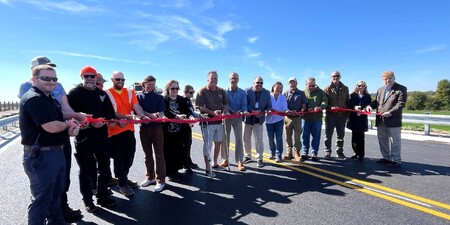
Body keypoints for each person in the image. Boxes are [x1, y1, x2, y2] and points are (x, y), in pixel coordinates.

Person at [18, 56, 84, 222]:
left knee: (55, 196)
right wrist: (68, 123)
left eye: (54, 79)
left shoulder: (50, 99)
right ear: (34, 79)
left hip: (55, 153)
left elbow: (59, 122)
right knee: (42, 200)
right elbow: (51, 126)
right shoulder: (34, 98)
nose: (51, 82)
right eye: (46, 78)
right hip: (41, 155)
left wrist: (70, 128)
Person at [67, 65, 118, 212]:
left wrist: (107, 121)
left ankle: (102, 196)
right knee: (86, 170)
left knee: (104, 168)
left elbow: (109, 114)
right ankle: (88, 200)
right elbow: (71, 115)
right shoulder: (74, 93)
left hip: (102, 137)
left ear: (96, 78)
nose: (89, 79)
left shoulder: (102, 94)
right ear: (81, 77)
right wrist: (89, 124)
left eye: (92, 76)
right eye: (86, 76)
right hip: (84, 138)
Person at [105, 71, 148, 196]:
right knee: (119, 158)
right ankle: (122, 184)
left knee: (129, 157)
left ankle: (123, 177)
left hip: (129, 130)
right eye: (117, 79)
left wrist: (142, 116)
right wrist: (125, 118)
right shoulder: (107, 93)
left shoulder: (130, 92)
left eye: (122, 80)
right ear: (112, 80)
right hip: (114, 132)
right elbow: (111, 112)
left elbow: (136, 106)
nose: (120, 82)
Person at [366, 71, 407, 167]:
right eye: (385, 79)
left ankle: (396, 160)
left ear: (394, 78)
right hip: (381, 120)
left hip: (393, 120)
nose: (387, 81)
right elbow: (376, 102)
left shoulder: (401, 89)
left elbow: (400, 104)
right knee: (382, 140)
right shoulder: (380, 90)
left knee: (395, 141)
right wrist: (369, 106)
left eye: (390, 78)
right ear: (383, 80)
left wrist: (390, 112)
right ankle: (386, 157)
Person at [195, 71, 229, 175]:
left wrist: (225, 112)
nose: (213, 80)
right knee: (207, 145)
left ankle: (214, 163)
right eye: (211, 78)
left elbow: (226, 104)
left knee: (218, 143)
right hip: (207, 123)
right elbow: (199, 107)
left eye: (215, 78)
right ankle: (207, 168)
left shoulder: (221, 90)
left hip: (219, 122)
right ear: (207, 79)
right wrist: (212, 113)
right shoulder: (202, 91)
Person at [137, 75, 166, 192]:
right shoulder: (137, 97)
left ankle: (161, 180)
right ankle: (150, 177)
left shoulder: (159, 97)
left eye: (153, 85)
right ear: (144, 84)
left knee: (159, 154)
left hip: (157, 128)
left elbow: (161, 113)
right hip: (143, 128)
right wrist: (149, 115)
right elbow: (136, 110)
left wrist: (163, 118)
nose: (151, 87)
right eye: (149, 85)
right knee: (147, 155)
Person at [162, 80, 195, 180]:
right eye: (173, 88)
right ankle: (169, 172)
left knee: (178, 150)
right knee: (168, 151)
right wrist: (176, 116)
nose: (175, 90)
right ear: (168, 89)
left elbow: (188, 111)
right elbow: (165, 112)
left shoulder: (181, 99)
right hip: (168, 130)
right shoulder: (164, 99)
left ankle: (176, 170)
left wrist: (191, 117)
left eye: (177, 88)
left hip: (180, 130)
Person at [220, 72, 248, 171]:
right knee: (225, 139)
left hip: (238, 118)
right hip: (226, 118)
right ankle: (225, 159)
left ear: (238, 80)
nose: (234, 80)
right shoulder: (224, 92)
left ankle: (240, 161)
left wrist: (243, 111)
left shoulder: (242, 92)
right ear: (229, 79)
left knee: (239, 140)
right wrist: (227, 111)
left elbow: (244, 104)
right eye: (232, 78)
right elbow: (223, 104)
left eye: (235, 78)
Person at [243, 76, 272, 168]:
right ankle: (248, 156)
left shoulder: (267, 93)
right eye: (257, 82)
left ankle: (259, 158)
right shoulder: (247, 91)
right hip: (248, 119)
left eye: (261, 83)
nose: (259, 84)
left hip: (259, 119)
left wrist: (269, 110)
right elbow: (244, 104)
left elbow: (269, 105)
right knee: (246, 139)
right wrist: (253, 112)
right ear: (253, 83)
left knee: (258, 140)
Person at [323, 71, 349, 159]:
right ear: (331, 77)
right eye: (334, 76)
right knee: (328, 135)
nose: (336, 77)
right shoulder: (327, 89)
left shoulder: (345, 88)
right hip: (330, 115)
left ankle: (339, 152)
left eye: (337, 76)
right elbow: (325, 102)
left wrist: (347, 116)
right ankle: (327, 152)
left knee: (340, 135)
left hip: (342, 116)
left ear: (340, 77)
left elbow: (347, 102)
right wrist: (331, 107)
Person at [301, 77, 328, 162]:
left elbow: (325, 101)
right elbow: (301, 103)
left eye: (313, 85)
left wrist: (320, 107)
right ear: (306, 85)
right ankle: (305, 152)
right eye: (310, 85)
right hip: (306, 118)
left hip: (317, 119)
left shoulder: (320, 92)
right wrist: (305, 109)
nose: (312, 87)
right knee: (305, 136)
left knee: (316, 137)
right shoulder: (303, 93)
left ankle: (314, 153)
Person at [283, 77, 307, 160]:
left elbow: (304, 104)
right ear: (288, 84)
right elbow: (283, 105)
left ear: (296, 83)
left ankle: (296, 153)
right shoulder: (285, 93)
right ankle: (289, 153)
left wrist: (302, 110)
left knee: (297, 136)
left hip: (297, 118)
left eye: (294, 82)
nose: (292, 84)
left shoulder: (301, 93)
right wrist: (287, 111)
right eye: (290, 82)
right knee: (287, 137)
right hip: (288, 118)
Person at [347, 80, 372, 161]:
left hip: (362, 119)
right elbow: (349, 105)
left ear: (365, 87)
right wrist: (354, 107)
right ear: (356, 86)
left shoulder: (367, 96)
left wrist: (365, 108)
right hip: (354, 118)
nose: (361, 87)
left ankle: (361, 154)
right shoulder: (352, 95)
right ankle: (356, 152)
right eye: (359, 85)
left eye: (363, 86)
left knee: (361, 137)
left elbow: (369, 105)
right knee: (354, 137)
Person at [265, 82, 288, 163]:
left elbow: (285, 108)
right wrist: (268, 110)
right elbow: (265, 107)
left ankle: (278, 155)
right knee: (270, 138)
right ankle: (272, 152)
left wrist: (287, 111)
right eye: (277, 87)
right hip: (269, 120)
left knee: (279, 138)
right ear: (273, 87)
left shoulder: (283, 97)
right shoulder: (268, 96)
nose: (278, 89)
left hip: (279, 120)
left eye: (280, 88)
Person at [182, 85, 200, 170]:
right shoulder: (183, 100)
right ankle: (186, 163)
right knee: (186, 145)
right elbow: (188, 113)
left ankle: (187, 161)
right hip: (183, 126)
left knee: (188, 144)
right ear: (185, 92)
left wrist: (201, 116)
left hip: (188, 126)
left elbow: (192, 112)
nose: (193, 94)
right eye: (191, 92)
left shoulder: (188, 101)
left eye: (193, 92)